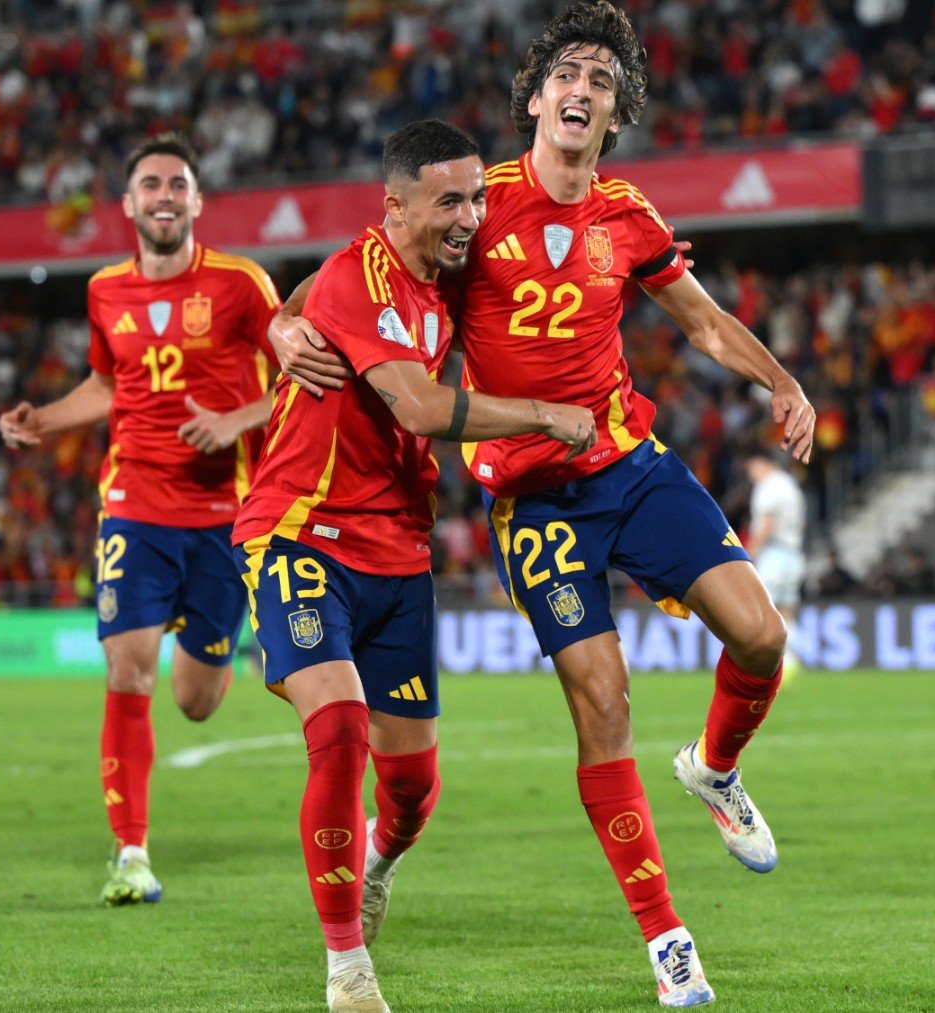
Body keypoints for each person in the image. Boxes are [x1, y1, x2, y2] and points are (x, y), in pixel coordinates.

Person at [270, 5, 816, 1005]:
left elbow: (697, 319)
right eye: (567, 73)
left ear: (617, 110)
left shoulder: (628, 216)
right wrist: (277, 323)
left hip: (632, 466)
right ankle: (667, 940)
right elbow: (346, 276)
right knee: (602, 700)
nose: (582, 87)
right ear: (536, 96)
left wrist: (780, 382)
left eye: (602, 80)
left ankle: (715, 768)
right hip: (533, 498)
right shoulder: (475, 208)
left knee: (763, 636)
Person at [231, 120, 593, 1013]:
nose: (470, 216)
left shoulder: (446, 274)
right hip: (299, 532)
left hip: (397, 550)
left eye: (475, 197)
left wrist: (282, 320)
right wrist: (547, 412)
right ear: (393, 206)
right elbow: (424, 408)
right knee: (341, 724)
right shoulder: (363, 271)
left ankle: (378, 860)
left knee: (413, 793)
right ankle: (347, 970)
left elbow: (299, 296)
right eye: (450, 201)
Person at [0, 134, 281, 905]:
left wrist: (236, 422)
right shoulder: (103, 291)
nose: (163, 195)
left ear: (195, 201)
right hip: (135, 506)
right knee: (127, 671)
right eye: (149, 183)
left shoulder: (242, 284)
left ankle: (225, 636)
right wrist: (44, 419)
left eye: (176, 184)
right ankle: (131, 853)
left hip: (226, 514)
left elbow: (304, 378)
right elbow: (105, 384)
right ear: (127, 205)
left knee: (196, 699)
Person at [744, 451, 808, 675]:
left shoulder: (769, 487)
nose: (750, 473)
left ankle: (769, 663)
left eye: (752, 467)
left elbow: (767, 523)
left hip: (774, 554)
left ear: (763, 463)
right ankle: (791, 659)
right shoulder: (790, 485)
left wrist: (748, 554)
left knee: (765, 611)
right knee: (786, 610)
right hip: (794, 554)